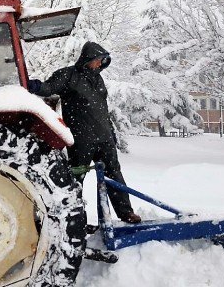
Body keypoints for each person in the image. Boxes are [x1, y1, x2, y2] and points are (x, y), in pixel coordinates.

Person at [27, 41, 142, 223]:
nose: (100, 63)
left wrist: (110, 131)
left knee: (115, 174)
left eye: (103, 60)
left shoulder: (99, 79)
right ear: (88, 59)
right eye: (98, 59)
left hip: (104, 138)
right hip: (82, 140)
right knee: (75, 179)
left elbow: (103, 109)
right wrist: (34, 86)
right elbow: (49, 88)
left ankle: (125, 212)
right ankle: (76, 219)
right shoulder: (69, 75)